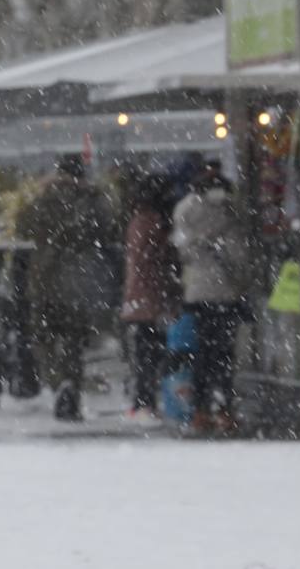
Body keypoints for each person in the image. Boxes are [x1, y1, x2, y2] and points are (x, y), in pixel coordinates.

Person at [17, 155, 119, 422]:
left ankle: (57, 379)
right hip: (78, 280)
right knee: (74, 340)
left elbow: (23, 226)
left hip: (45, 279)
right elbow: (109, 227)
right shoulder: (93, 200)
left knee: (43, 337)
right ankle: (70, 385)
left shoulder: (46, 199)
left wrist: (44, 193)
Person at [172, 166, 252, 435]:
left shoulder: (185, 213)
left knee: (203, 354)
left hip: (197, 293)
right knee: (225, 355)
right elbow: (239, 256)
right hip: (226, 294)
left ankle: (200, 411)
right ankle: (226, 410)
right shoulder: (229, 214)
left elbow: (182, 251)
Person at [120, 174, 182, 419]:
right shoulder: (154, 223)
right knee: (152, 349)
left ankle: (143, 400)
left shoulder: (138, 221)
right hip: (152, 294)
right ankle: (147, 400)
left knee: (146, 348)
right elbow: (160, 258)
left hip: (140, 294)